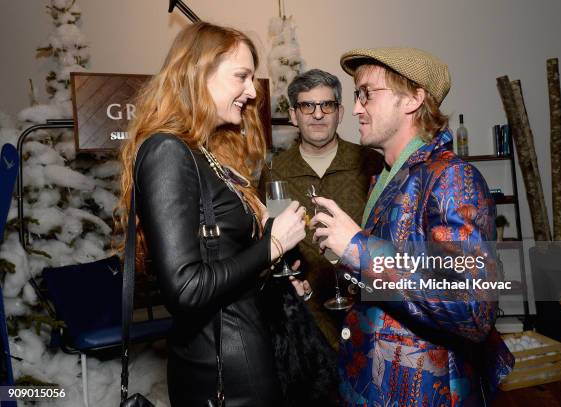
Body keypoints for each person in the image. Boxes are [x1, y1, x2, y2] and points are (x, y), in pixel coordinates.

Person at [115, 22, 307, 406]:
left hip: (241, 350)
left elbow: (222, 260)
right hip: (225, 373)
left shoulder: (205, 152)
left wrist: (273, 267)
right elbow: (186, 288)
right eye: (242, 76)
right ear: (198, 72)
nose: (253, 91)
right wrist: (272, 246)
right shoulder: (167, 151)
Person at [310, 48, 515, 406]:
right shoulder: (385, 178)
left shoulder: (452, 177)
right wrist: (345, 256)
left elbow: (471, 305)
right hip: (377, 383)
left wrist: (358, 247)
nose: (356, 109)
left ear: (413, 98)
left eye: (366, 94)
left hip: (425, 392)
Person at [259, 69, 383, 349]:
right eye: (307, 106)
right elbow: (264, 243)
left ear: (340, 112)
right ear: (293, 115)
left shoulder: (370, 164)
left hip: (369, 314)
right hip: (303, 321)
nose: (317, 114)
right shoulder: (274, 172)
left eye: (327, 105)